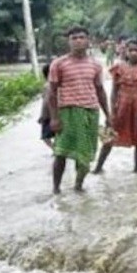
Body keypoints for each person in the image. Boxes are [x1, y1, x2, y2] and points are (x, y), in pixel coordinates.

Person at [48, 26, 112, 194]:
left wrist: (108, 114)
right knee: (61, 151)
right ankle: (56, 188)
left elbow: (100, 90)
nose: (78, 41)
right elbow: (51, 92)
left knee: (85, 152)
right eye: (74, 38)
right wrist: (54, 118)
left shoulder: (95, 65)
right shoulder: (59, 64)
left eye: (81, 37)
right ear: (68, 41)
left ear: (88, 40)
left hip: (91, 112)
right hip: (68, 112)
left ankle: (78, 185)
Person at [94, 39, 137, 174]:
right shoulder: (119, 68)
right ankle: (98, 167)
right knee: (109, 137)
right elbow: (113, 92)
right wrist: (111, 112)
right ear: (126, 52)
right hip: (121, 109)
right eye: (131, 50)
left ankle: (136, 169)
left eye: (136, 50)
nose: (134, 53)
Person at [37, 63, 55, 150]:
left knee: (45, 137)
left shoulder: (47, 86)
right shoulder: (54, 85)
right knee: (57, 134)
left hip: (48, 115)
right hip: (55, 113)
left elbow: (46, 102)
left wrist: (43, 116)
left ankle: (56, 150)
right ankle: (58, 150)